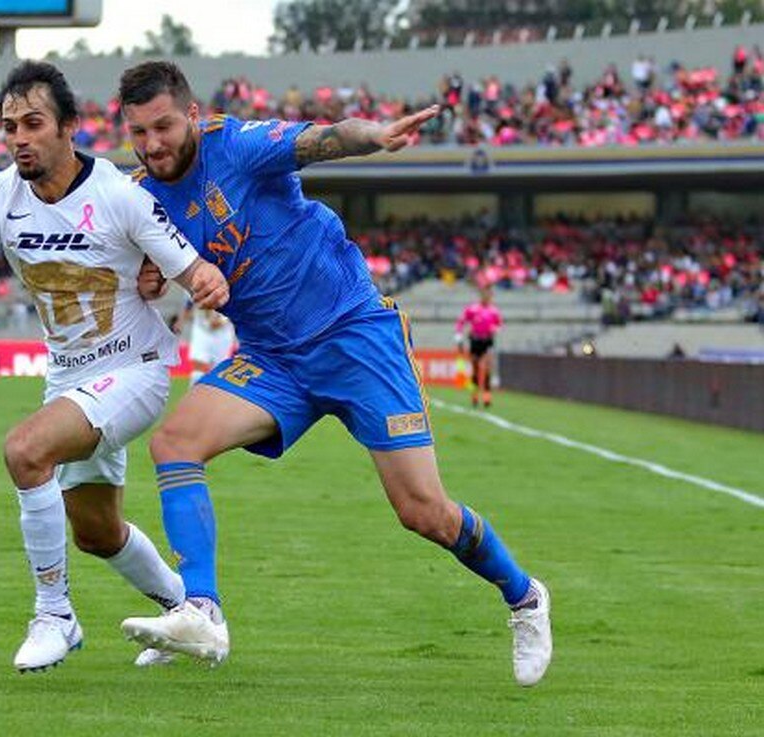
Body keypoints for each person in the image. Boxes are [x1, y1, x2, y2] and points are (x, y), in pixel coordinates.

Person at [117, 61, 552, 686]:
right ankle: (202, 611)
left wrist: (372, 136)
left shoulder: (235, 146)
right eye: (138, 133)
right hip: (273, 357)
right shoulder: (142, 196)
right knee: (174, 442)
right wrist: (151, 273)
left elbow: (321, 139)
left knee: (424, 511)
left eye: (162, 127)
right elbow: (140, 262)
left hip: (355, 337)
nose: (153, 144)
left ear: (191, 114)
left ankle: (524, 597)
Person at [0, 61, 229, 673]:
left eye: (33, 123)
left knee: (25, 450)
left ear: (69, 129)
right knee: (97, 534)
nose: (19, 138)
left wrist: (205, 281)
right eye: (9, 127)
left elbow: (190, 268)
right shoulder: (2, 194)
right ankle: (187, 613)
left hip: (135, 370)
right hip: (69, 379)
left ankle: (55, 614)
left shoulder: (117, 194)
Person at [454, 285, 503, 408]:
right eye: (485, 295)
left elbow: (499, 325)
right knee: (475, 369)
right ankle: (475, 394)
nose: (487, 297)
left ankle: (487, 396)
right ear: (481, 296)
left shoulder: (494, 311)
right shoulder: (473, 309)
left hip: (487, 340)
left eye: (489, 295)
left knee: (487, 368)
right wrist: (459, 335)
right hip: (475, 340)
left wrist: (495, 329)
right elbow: (461, 321)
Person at [180, 303, 235, 384]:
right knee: (198, 368)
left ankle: (214, 394)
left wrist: (224, 320)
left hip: (224, 330)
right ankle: (195, 394)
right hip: (202, 327)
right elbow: (189, 302)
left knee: (220, 369)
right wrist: (181, 321)